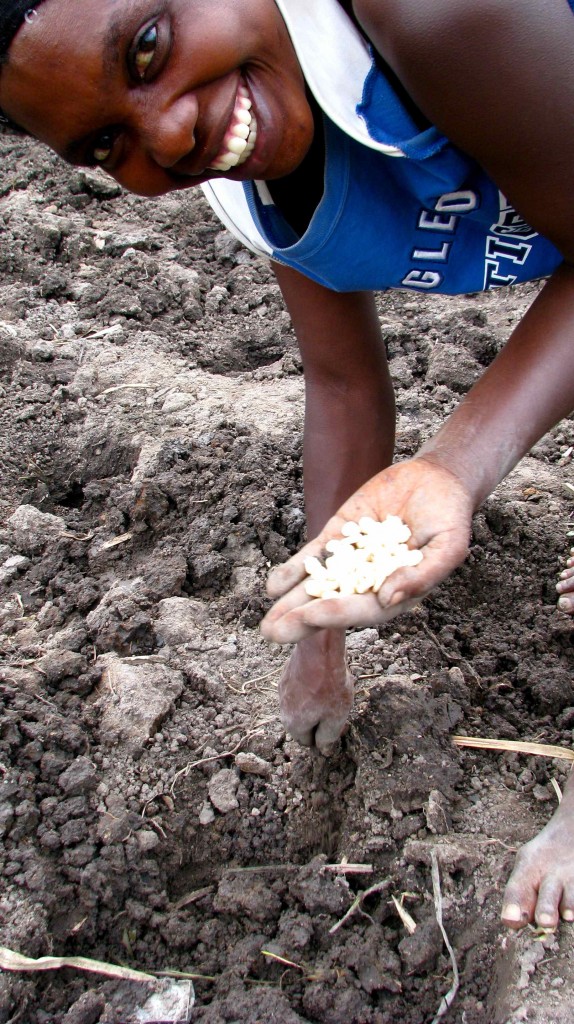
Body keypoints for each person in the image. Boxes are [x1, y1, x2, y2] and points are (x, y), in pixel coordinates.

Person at [1, 0, 573, 934]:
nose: (169, 133)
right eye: (107, 144)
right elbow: (344, 384)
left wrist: (458, 465)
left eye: (147, 47)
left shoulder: (443, 19)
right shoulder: (251, 163)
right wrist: (319, 645)